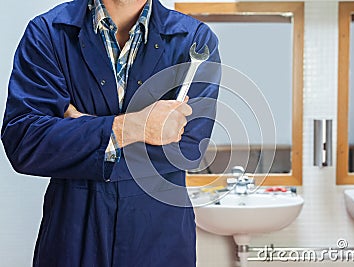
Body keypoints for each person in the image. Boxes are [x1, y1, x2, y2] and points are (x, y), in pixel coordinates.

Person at [1, 0, 220, 265]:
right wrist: (133, 127)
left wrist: (79, 127)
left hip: (160, 238)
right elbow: (25, 142)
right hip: (73, 237)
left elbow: (187, 149)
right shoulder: (48, 33)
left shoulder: (194, 40)